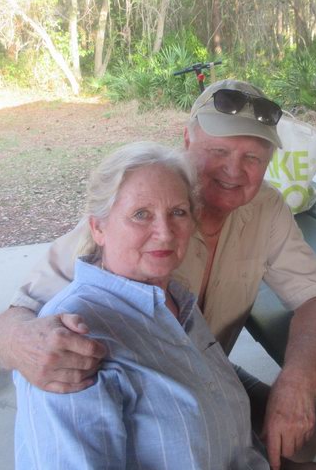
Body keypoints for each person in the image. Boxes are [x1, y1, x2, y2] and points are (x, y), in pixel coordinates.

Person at [0, 79, 316, 469]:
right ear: (187, 141)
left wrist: (298, 379)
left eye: (252, 158)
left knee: (297, 440)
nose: (234, 170)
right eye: (219, 151)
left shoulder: (265, 207)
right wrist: (26, 345)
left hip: (206, 363)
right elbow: (17, 316)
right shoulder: (130, 206)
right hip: (149, 375)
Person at [14, 142, 269, 469]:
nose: (165, 234)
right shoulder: (71, 342)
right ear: (98, 227)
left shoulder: (175, 301)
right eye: (140, 215)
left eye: (178, 212)